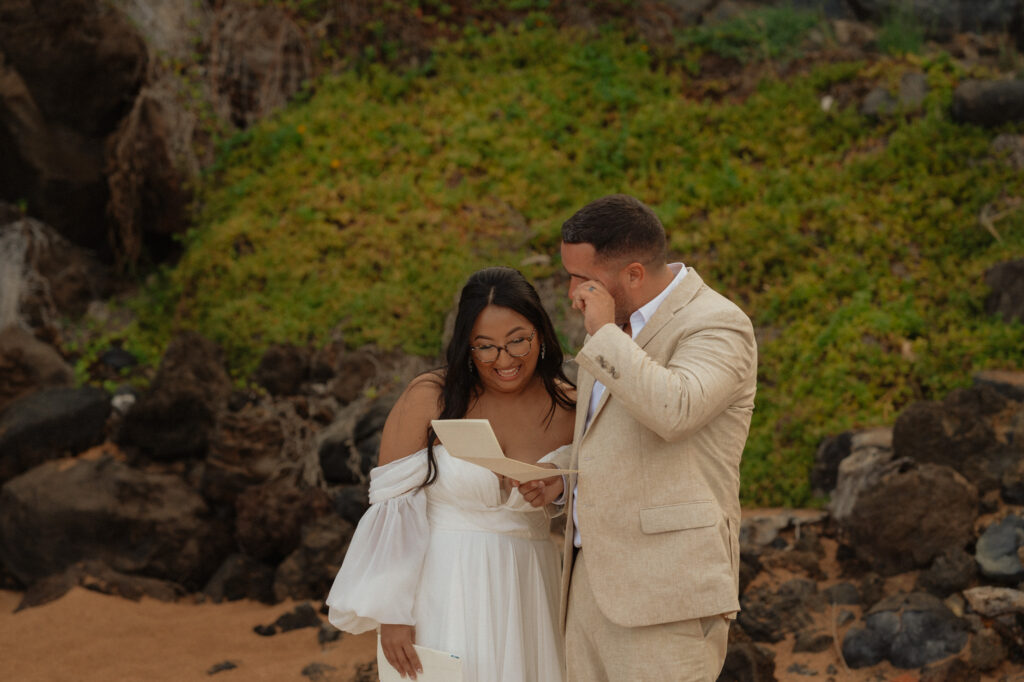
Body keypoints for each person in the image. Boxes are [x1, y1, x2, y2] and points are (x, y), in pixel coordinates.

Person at [518, 194, 757, 681]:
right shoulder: (610, 328)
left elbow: (676, 410)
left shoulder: (717, 323)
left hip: (667, 595)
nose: (572, 294)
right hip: (589, 587)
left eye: (583, 280)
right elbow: (611, 435)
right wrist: (562, 477)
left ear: (632, 273)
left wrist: (605, 333)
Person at [325, 266, 576, 682]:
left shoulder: (569, 404)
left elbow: (605, 484)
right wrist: (394, 613)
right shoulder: (431, 397)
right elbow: (393, 509)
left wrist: (561, 483)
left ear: (541, 333)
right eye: (486, 347)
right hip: (444, 585)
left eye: (518, 340)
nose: (505, 359)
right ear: (467, 347)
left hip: (529, 584)